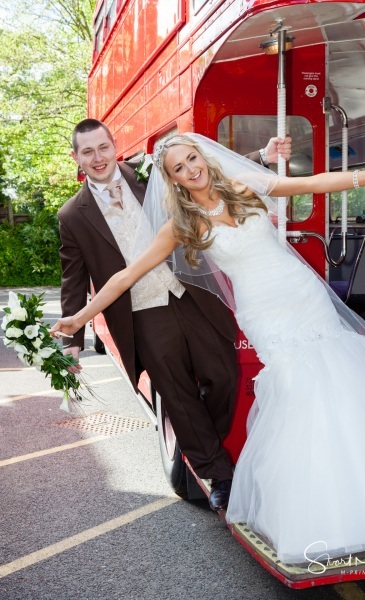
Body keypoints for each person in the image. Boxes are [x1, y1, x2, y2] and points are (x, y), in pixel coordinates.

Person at [52, 133, 365, 564]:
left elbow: (311, 185)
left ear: (203, 156)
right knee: (299, 387)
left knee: (341, 374)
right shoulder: (182, 224)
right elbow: (125, 276)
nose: (190, 169)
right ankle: (316, 504)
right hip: (264, 313)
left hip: (302, 294)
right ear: (171, 181)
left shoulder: (244, 185)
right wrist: (79, 319)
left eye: (193, 158)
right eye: (179, 168)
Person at [58, 120, 291, 512]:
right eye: (88, 151)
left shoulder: (152, 175)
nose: (98, 158)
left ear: (115, 145)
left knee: (223, 374)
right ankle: (218, 473)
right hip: (141, 312)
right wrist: (72, 341)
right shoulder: (72, 215)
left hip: (191, 293)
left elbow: (202, 178)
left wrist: (263, 159)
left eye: (102, 147)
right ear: (76, 158)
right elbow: (73, 278)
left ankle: (199, 438)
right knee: (177, 394)